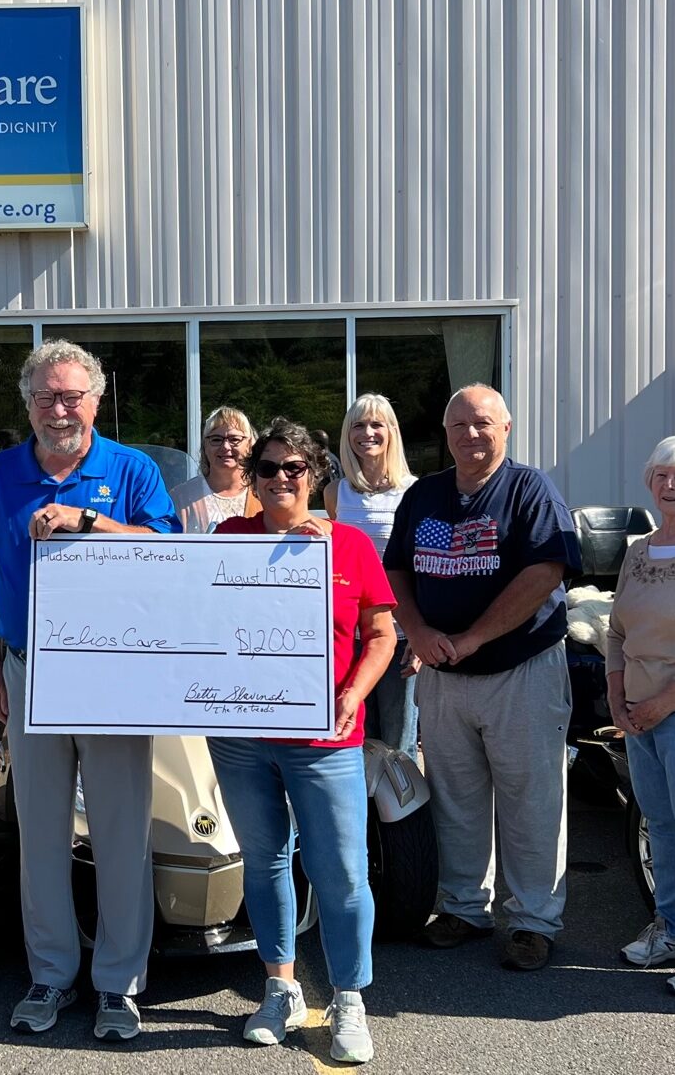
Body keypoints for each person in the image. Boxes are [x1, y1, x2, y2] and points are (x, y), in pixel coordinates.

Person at [0, 339, 179, 1042]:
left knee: (122, 832)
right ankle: (51, 972)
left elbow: (168, 555)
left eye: (71, 396)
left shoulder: (132, 469)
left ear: (95, 399)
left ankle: (119, 984)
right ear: (28, 404)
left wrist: (87, 521)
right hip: (30, 670)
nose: (59, 410)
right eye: (45, 397)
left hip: (114, 674)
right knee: (42, 831)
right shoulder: (0, 473)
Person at [211, 418, 394, 1063]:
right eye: (268, 469)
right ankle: (280, 987)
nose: (281, 479)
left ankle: (349, 998)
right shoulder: (225, 538)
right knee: (262, 862)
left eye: (294, 468)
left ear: (315, 475)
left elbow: (381, 636)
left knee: (341, 870)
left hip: (326, 737)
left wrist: (352, 695)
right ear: (252, 480)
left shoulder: (349, 546)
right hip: (240, 737)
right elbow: (194, 620)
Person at [384, 384, 580, 971]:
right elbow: (396, 568)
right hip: (445, 674)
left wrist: (473, 637)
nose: (472, 434)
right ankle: (465, 908)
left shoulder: (529, 490)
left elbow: (545, 571)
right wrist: (416, 632)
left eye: (484, 424)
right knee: (455, 797)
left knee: (531, 799)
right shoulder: (425, 494)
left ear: (507, 429)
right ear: (445, 432)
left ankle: (533, 921)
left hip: (520, 668)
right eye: (460, 425)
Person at [606, 435, 675, 994]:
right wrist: (614, 692)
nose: (671, 485)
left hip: (669, 709)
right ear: (649, 483)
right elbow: (617, 630)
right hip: (637, 715)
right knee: (661, 824)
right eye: (662, 475)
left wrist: (662, 703)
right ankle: (670, 929)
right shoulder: (637, 550)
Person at [324, 394, 419, 758]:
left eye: (377, 424)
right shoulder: (336, 493)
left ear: (392, 431)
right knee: (354, 735)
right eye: (358, 425)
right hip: (350, 636)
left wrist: (417, 633)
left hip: (397, 632)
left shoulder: (413, 491)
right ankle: (364, 817)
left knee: (398, 744)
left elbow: (419, 567)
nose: (368, 433)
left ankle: (404, 817)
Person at [169, 406, 261, 533]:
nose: (225, 447)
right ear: (205, 447)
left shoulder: (264, 494)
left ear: (249, 445)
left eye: (234, 439)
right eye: (216, 439)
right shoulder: (181, 497)